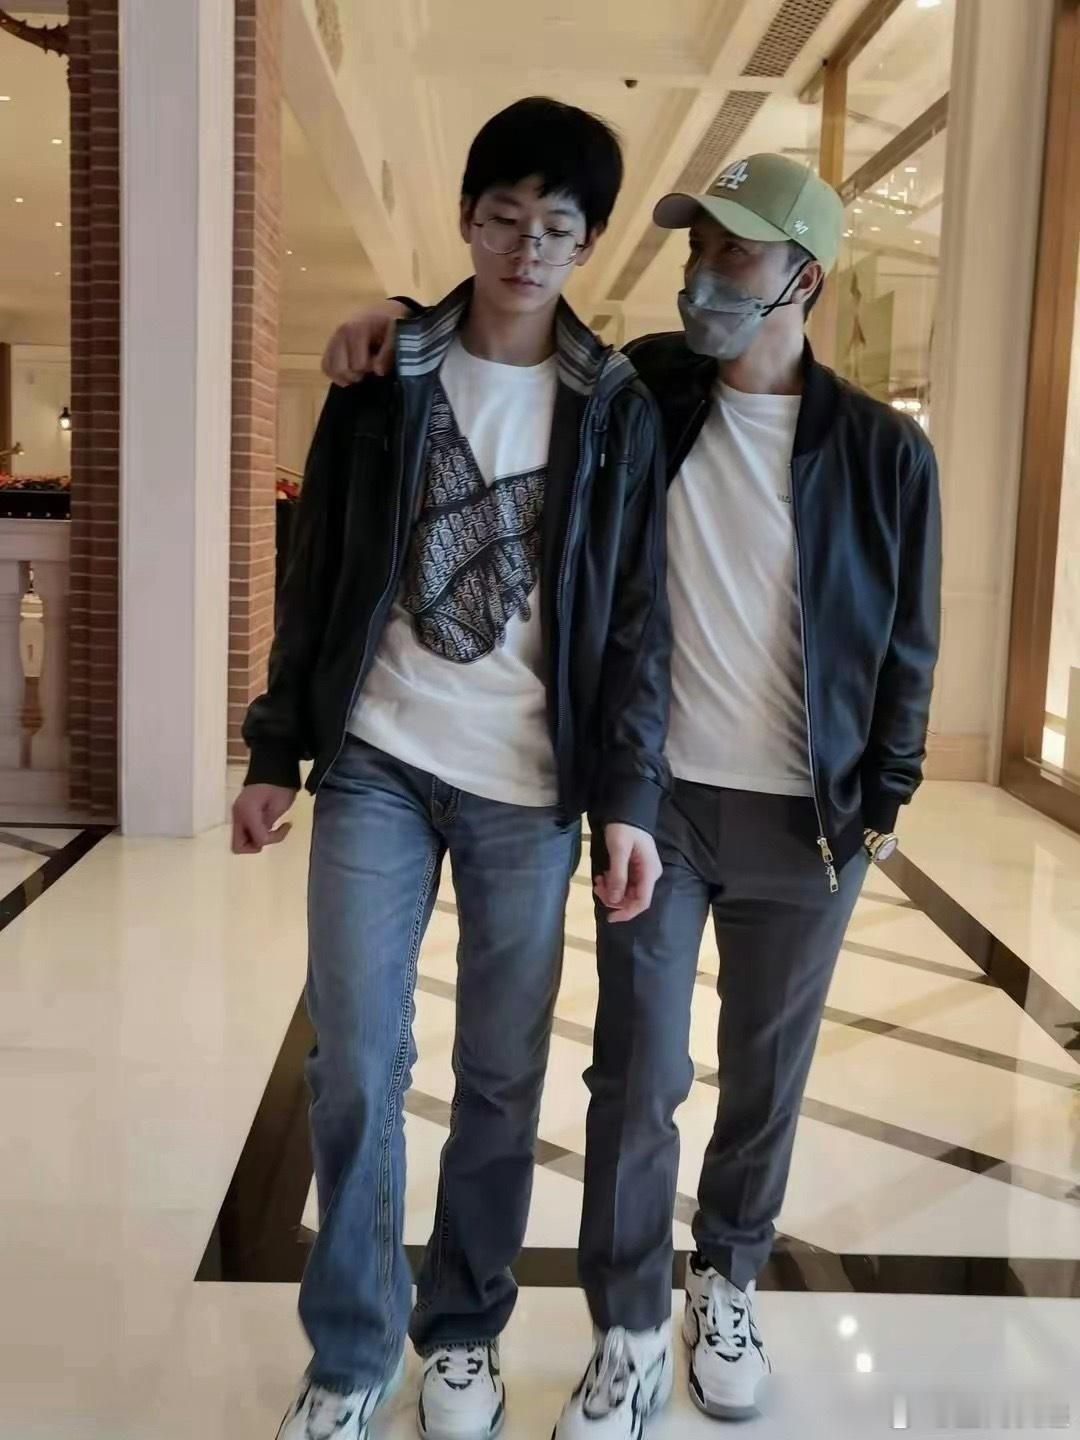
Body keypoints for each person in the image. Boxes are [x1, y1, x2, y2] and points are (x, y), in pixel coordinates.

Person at [323, 151, 941, 1437]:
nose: (702, 276)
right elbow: (513, 334)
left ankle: (728, 1278)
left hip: (806, 824)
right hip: (656, 806)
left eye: (734, 255)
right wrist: (396, 313)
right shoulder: (648, 395)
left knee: (765, 1075)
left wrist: (878, 805)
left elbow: (910, 647)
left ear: (803, 280)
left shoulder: (885, 452)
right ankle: (630, 1329)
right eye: (697, 249)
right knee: (637, 1072)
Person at [234, 96, 671, 1440]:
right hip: (378, 757)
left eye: (558, 227)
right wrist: (276, 746)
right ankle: (355, 1349)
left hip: (528, 789)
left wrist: (629, 801)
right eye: (504, 217)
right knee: (357, 1059)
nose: (527, 248)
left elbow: (637, 619)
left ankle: (464, 1332)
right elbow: (319, 572)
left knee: (500, 1074)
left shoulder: (616, 407)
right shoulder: (385, 375)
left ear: (588, 243)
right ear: (467, 218)